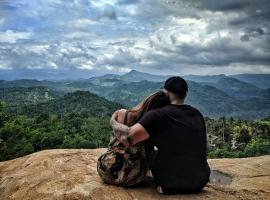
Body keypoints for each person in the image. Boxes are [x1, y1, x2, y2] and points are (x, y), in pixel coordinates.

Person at [110, 76, 210, 194]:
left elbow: (128, 138)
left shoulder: (157, 115)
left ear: (165, 92)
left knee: (152, 152)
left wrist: (114, 120)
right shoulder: (197, 114)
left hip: (170, 184)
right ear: (185, 94)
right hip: (199, 181)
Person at [97, 91, 170, 187]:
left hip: (105, 169)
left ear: (147, 101)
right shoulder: (153, 125)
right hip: (132, 177)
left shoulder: (122, 113)